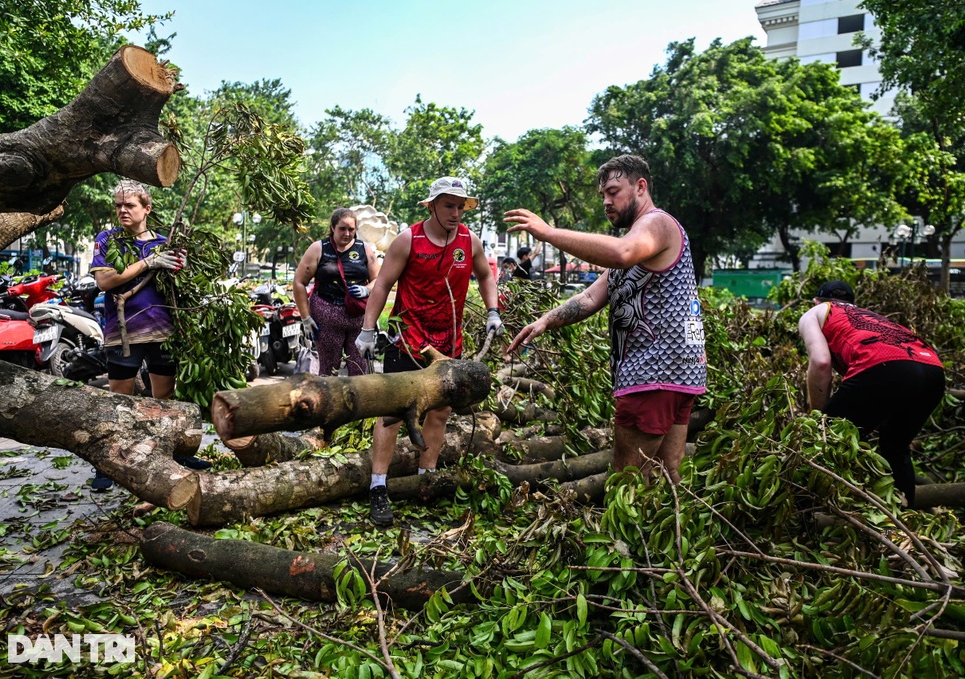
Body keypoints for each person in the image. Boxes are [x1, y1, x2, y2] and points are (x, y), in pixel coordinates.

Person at [505, 154, 706, 482]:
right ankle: (672, 530)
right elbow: (589, 297)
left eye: (613, 191)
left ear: (640, 187)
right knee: (668, 476)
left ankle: (623, 535)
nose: (606, 201)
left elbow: (621, 252)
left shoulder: (656, 224)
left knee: (626, 478)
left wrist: (549, 233)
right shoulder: (639, 242)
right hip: (677, 373)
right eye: (602, 195)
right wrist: (545, 321)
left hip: (653, 374)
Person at [356, 176, 503, 526]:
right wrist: (366, 328)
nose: (455, 213)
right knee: (392, 414)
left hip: (448, 344)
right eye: (448, 205)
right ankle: (378, 486)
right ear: (432, 205)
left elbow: (485, 276)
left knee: (439, 413)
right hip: (407, 339)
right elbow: (383, 285)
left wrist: (493, 310)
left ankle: (427, 480)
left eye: (460, 206)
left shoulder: (470, 241)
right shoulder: (409, 240)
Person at [89, 180, 209, 491]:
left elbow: (179, 284)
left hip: (162, 330)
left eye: (129, 205)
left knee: (165, 399)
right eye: (118, 206)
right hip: (123, 332)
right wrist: (148, 262)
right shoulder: (107, 240)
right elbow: (105, 281)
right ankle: (109, 464)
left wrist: (179, 266)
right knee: (119, 402)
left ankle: (172, 455)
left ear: (147, 209)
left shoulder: (164, 243)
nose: (122, 211)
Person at [797, 280, 945, 504]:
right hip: (933, 370)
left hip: (887, 367)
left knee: (829, 440)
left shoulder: (815, 312)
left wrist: (820, 420)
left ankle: (806, 512)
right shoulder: (870, 316)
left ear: (816, 301)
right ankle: (904, 520)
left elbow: (820, 362)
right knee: (895, 448)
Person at [293, 207, 380, 376]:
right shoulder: (318, 248)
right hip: (326, 318)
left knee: (359, 369)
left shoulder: (365, 249)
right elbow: (298, 282)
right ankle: (327, 402)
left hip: (357, 319)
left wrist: (367, 289)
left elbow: (379, 280)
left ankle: (358, 402)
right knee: (328, 370)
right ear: (333, 227)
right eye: (342, 228)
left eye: (351, 229)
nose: (347, 233)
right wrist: (305, 317)